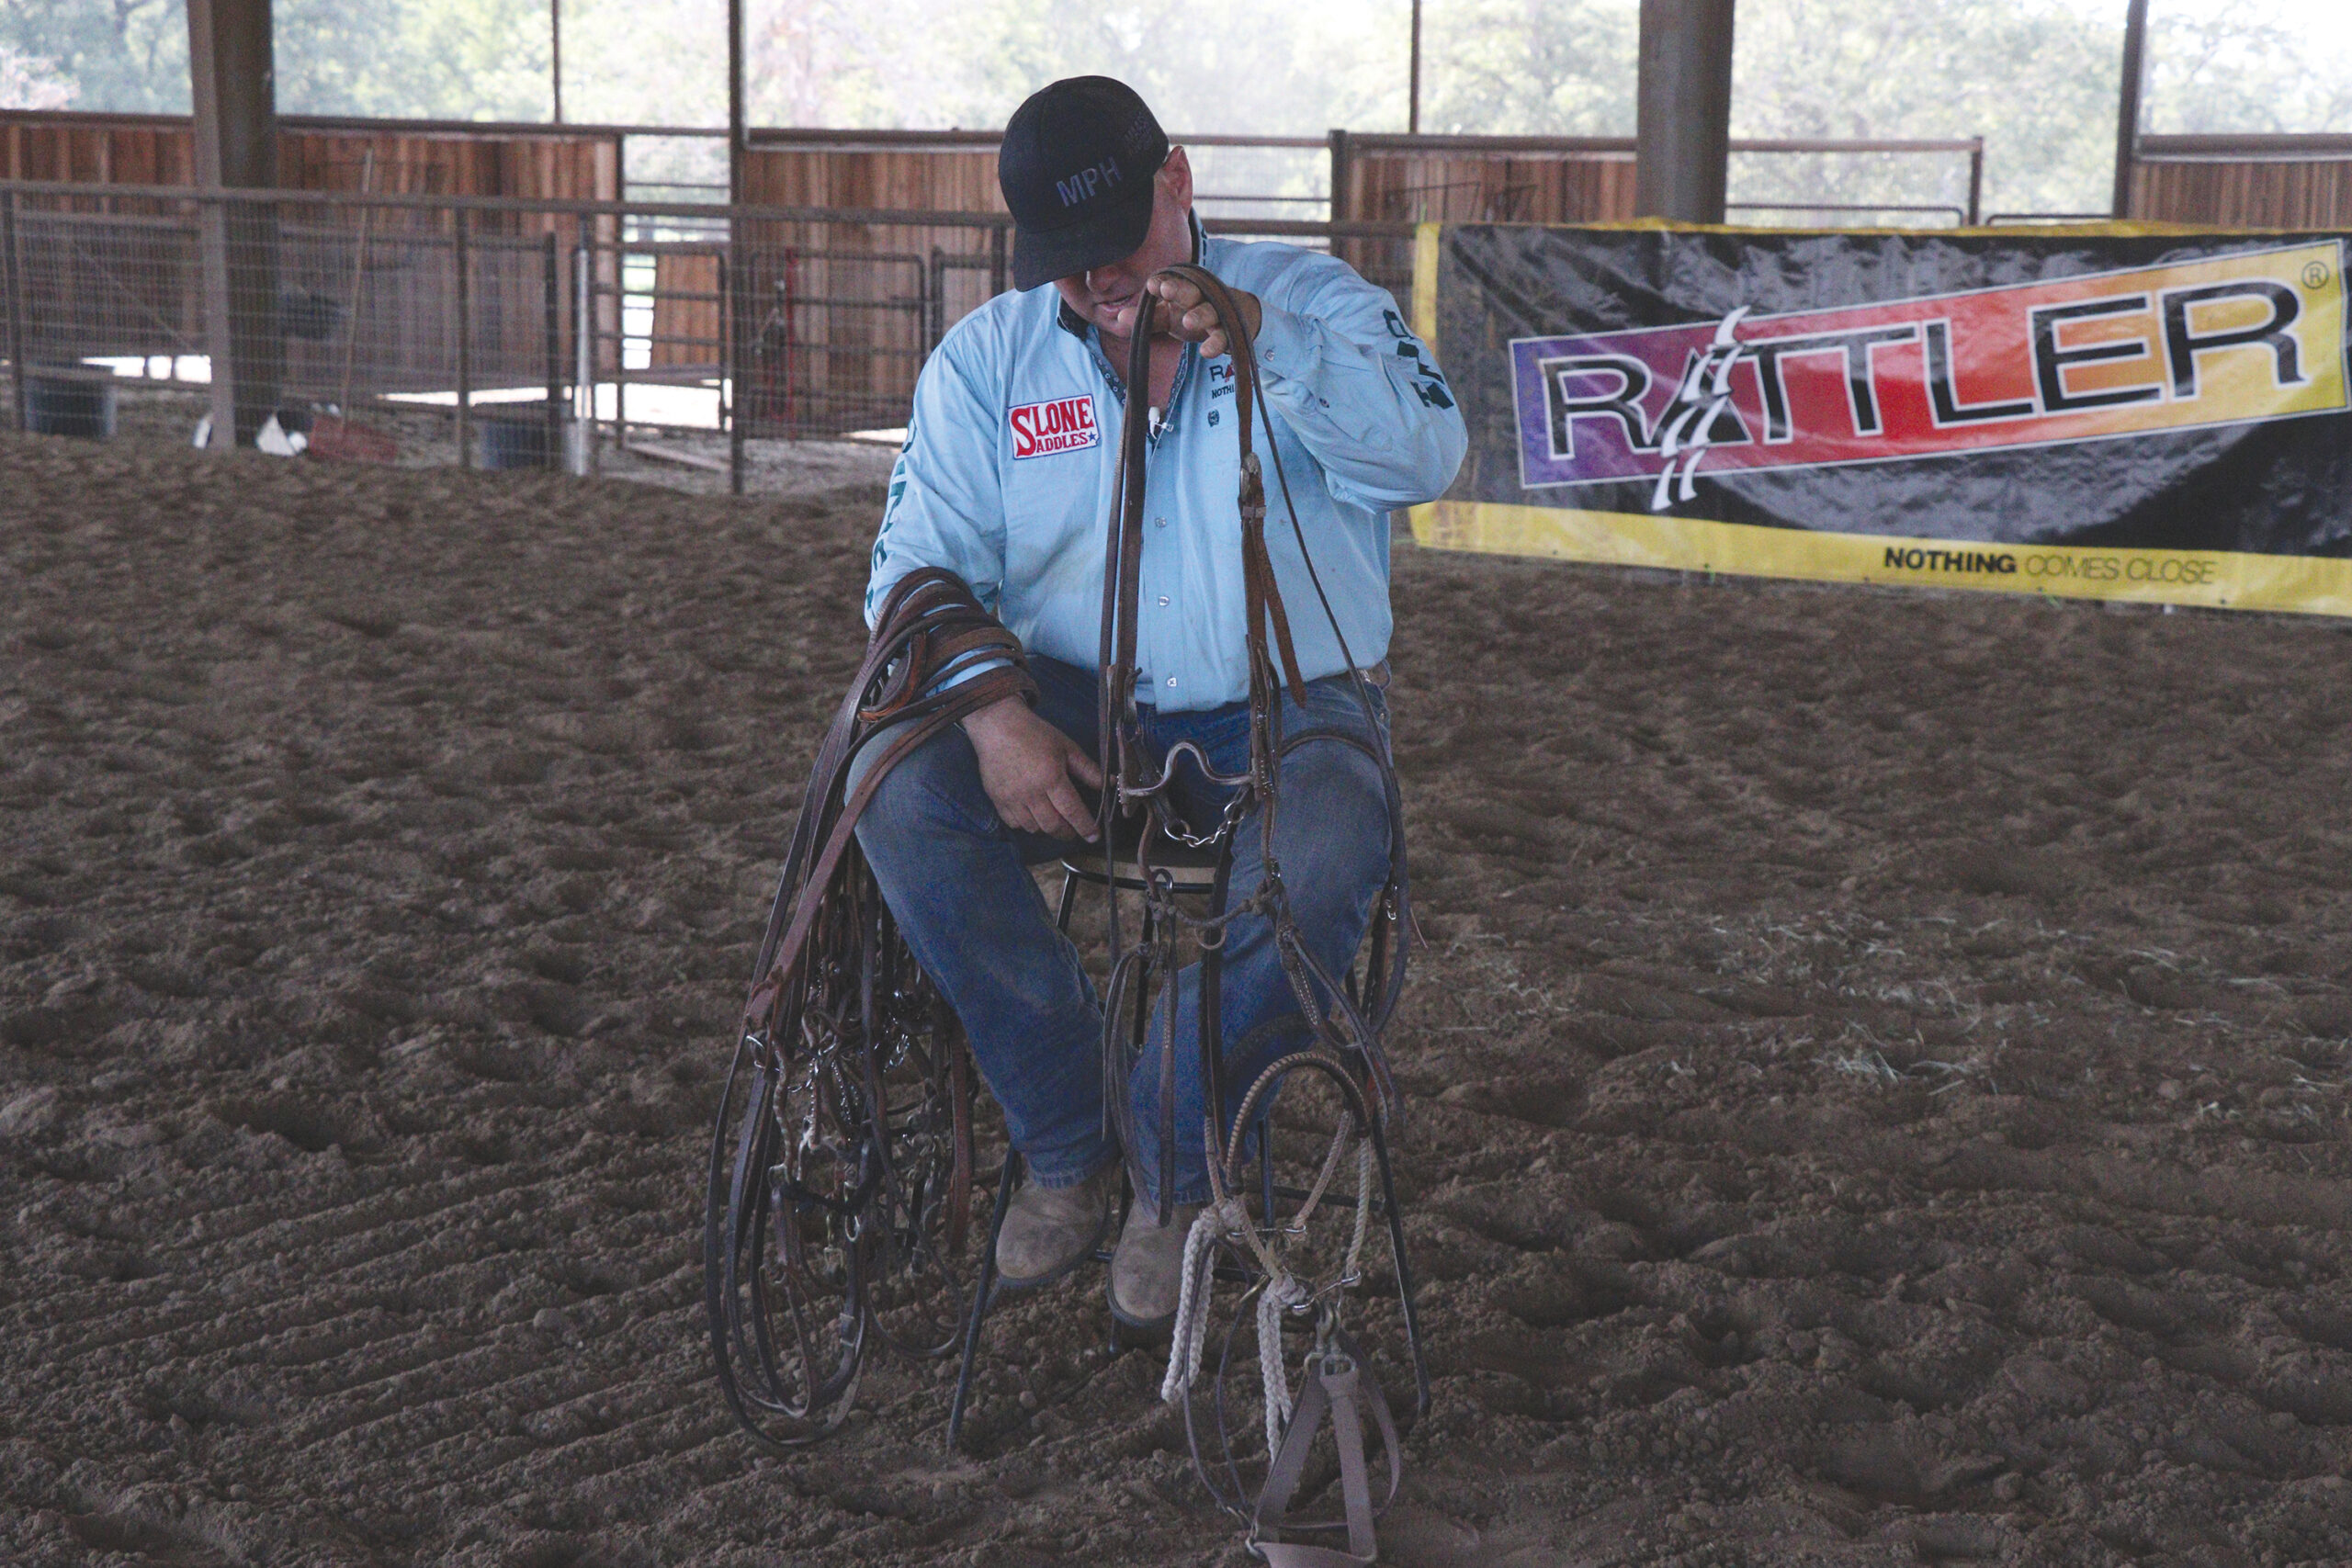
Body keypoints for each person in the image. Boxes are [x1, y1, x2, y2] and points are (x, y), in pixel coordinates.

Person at [851, 75, 1464, 1334]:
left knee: (1337, 843)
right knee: (899, 797)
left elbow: (1427, 454)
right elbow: (910, 567)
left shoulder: (1314, 302)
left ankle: (1174, 1157)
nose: (1097, 287)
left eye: (1116, 251)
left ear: (1176, 181)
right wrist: (993, 718)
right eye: (1069, 269)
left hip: (1298, 702)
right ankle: (1068, 1137)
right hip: (1077, 703)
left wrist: (1260, 339)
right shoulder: (991, 360)